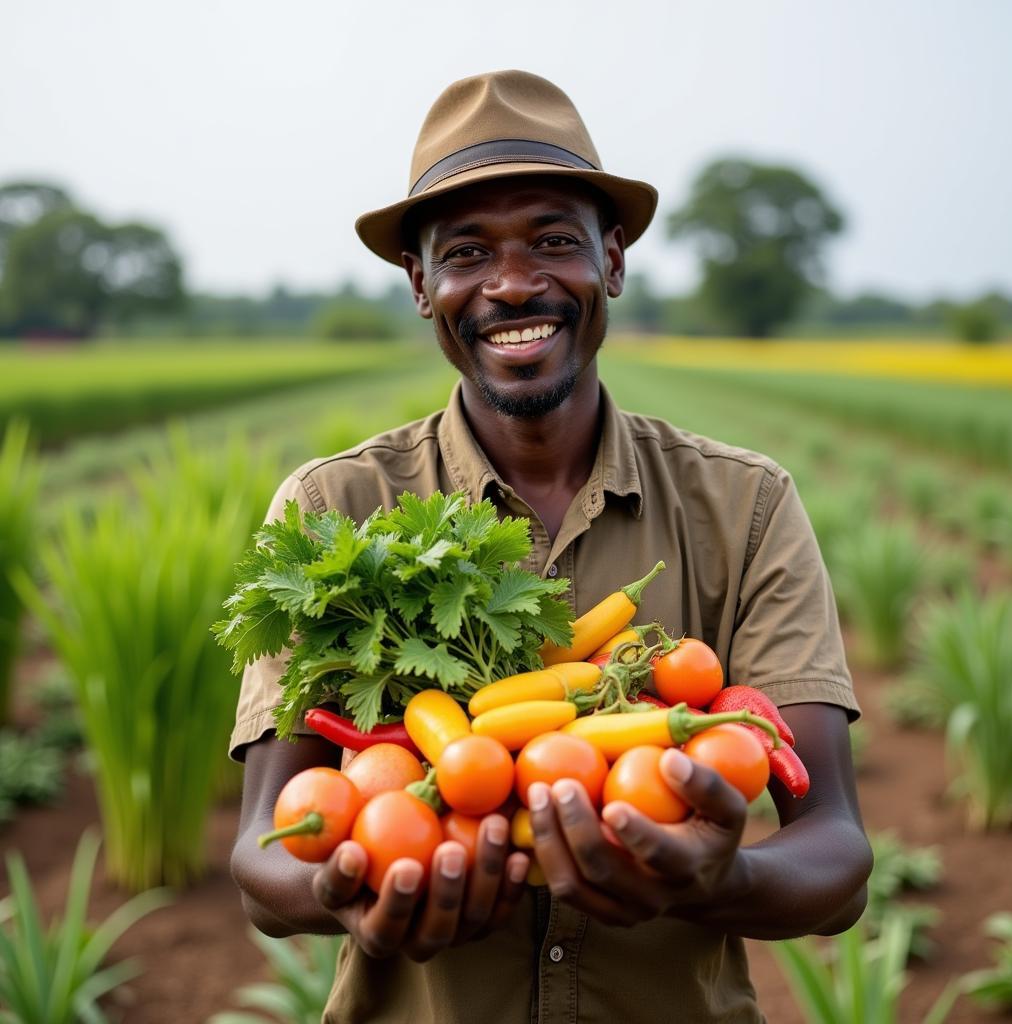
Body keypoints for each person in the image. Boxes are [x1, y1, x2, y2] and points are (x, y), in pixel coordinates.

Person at [228, 70, 872, 1023]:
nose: (515, 283)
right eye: (468, 252)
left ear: (612, 261)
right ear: (421, 285)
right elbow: (260, 860)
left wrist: (713, 880)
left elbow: (839, 854)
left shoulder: (747, 507)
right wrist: (354, 890)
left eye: (556, 242)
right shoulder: (334, 510)